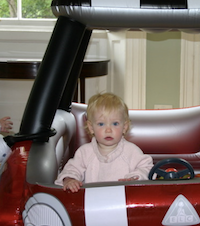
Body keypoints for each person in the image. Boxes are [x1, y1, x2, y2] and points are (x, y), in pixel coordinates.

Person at [55, 93, 153, 192]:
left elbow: (147, 168)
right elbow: (71, 169)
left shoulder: (131, 151)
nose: (108, 130)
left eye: (115, 124)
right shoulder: (84, 153)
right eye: (101, 124)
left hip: (123, 201)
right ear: (91, 127)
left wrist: (135, 178)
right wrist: (70, 179)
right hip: (92, 201)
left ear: (124, 127)